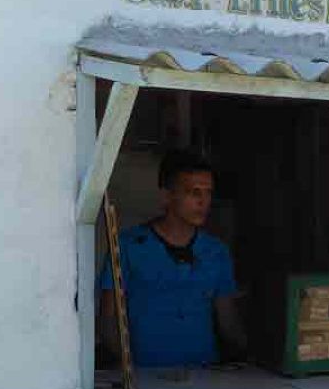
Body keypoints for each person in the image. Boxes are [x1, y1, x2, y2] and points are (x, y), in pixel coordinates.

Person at [99, 150, 248, 368]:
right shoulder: (128, 246)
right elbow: (107, 322)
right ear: (167, 196)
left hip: (206, 379)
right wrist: (130, 370)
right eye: (194, 192)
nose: (203, 201)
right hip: (147, 380)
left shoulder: (216, 253)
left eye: (208, 193)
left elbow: (228, 323)